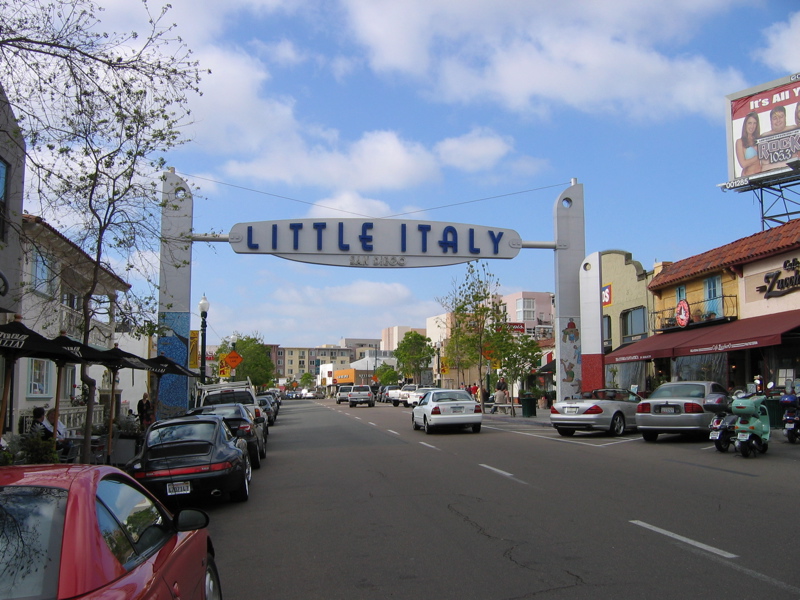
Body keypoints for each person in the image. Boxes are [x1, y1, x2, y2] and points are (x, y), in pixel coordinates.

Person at [735, 112, 761, 176]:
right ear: (745, 124)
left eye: (754, 123)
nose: (752, 126)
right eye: (749, 123)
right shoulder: (740, 142)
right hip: (748, 178)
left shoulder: (760, 140)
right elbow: (743, 164)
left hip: (761, 176)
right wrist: (759, 156)